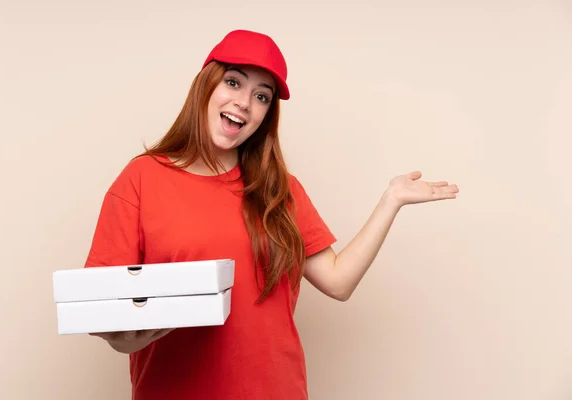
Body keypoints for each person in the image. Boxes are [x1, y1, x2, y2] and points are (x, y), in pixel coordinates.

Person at [84, 29, 459, 400]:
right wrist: (123, 339)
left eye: (261, 96)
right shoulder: (142, 179)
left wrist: (390, 200)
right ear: (205, 85)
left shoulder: (281, 189)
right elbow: (103, 306)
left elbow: (338, 282)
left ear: (266, 115)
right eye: (233, 82)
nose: (245, 103)